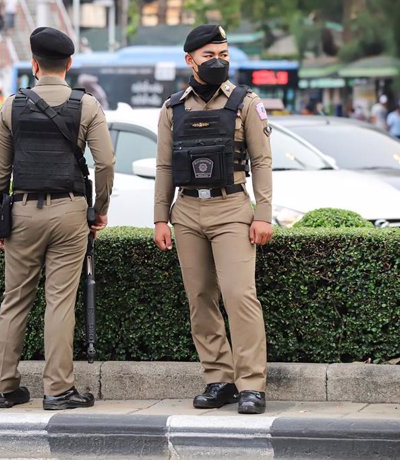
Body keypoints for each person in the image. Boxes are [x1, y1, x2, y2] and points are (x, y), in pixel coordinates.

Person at [0, 27, 115, 410]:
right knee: (59, 301)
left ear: (34, 63)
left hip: (23, 210)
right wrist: (100, 210)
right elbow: (106, 162)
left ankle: (3, 388)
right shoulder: (88, 105)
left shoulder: (11, 106)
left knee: (14, 300)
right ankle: (58, 390)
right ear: (70, 64)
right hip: (69, 210)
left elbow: (0, 172)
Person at [153, 24, 273, 414]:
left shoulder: (245, 102)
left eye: (224, 54)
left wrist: (264, 214)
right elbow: (164, 166)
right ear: (190, 60)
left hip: (231, 208)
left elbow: (262, 161)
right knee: (201, 298)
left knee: (240, 296)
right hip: (186, 211)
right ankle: (218, 379)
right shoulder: (173, 108)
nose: (219, 61)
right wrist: (160, 218)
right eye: (209, 55)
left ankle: (252, 384)